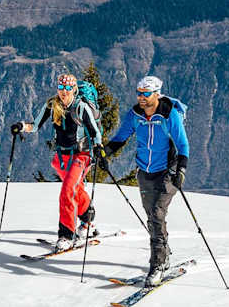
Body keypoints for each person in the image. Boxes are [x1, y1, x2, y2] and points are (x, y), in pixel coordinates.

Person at [99, 75, 189, 287]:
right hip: (145, 170)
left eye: (146, 94)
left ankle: (156, 265)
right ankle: (164, 253)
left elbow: (183, 145)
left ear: (157, 94)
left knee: (157, 215)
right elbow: (121, 138)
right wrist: (104, 154)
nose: (141, 97)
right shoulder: (135, 115)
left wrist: (181, 171)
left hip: (168, 169)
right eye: (139, 93)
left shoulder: (169, 115)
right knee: (152, 216)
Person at [12, 72, 103, 251]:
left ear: (74, 89)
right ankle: (88, 220)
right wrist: (21, 126)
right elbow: (35, 125)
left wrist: (99, 147)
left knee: (67, 191)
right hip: (62, 156)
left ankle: (66, 235)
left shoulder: (81, 107)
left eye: (68, 88)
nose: (64, 91)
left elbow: (95, 132)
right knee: (75, 189)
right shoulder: (51, 105)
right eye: (61, 87)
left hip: (82, 155)